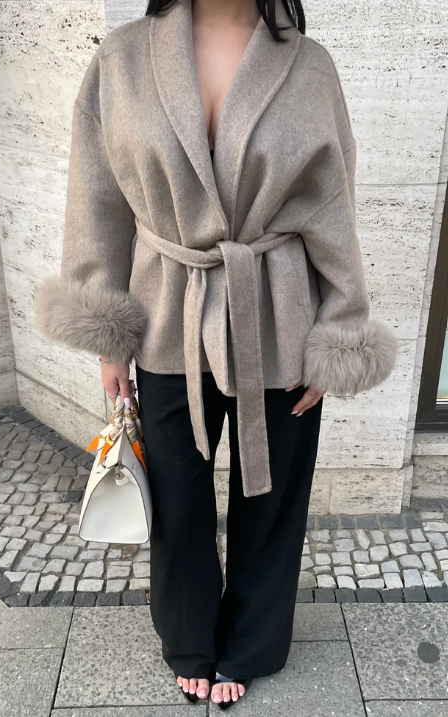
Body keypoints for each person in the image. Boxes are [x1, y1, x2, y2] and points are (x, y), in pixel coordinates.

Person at [34, 0, 398, 709]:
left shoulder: (308, 66)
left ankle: (252, 642)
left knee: (274, 493)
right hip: (167, 312)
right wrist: (107, 329)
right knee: (176, 493)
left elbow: (333, 206)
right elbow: (97, 200)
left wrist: (339, 327)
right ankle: (190, 636)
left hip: (280, 311)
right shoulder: (122, 59)